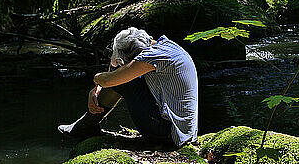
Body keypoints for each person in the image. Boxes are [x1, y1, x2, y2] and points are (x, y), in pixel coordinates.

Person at [58, 27, 198, 148]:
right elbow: (115, 73)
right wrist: (96, 90)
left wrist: (97, 79)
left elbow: (110, 79)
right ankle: (86, 124)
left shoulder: (151, 56)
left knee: (125, 80)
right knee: (124, 77)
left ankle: (84, 126)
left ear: (136, 52)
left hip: (170, 135)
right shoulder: (165, 46)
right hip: (182, 131)